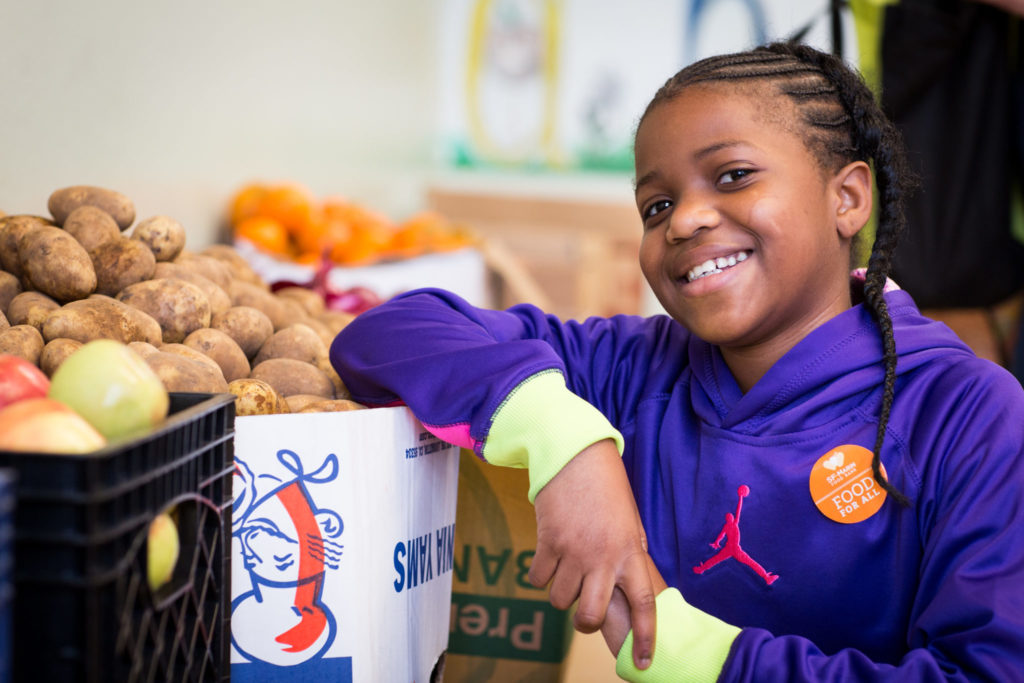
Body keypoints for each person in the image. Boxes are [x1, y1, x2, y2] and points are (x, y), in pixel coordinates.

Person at [330, 42, 1024, 680]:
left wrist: (704, 659)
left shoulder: (968, 413)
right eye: (656, 204)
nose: (684, 220)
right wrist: (565, 441)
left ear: (847, 198)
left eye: (733, 175)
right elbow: (385, 334)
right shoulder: (635, 368)